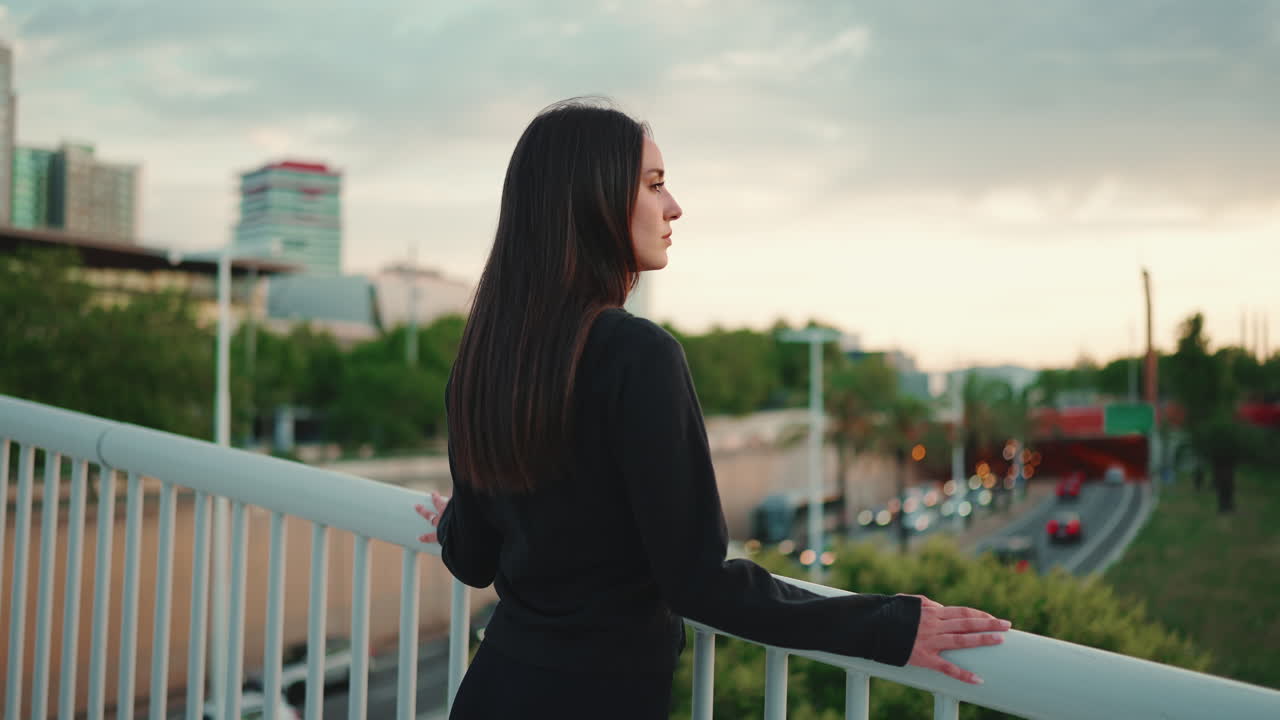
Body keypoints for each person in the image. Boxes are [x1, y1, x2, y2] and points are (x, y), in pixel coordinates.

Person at [415, 98, 1011, 719]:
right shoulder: (639, 356)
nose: (674, 207)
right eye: (654, 185)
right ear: (593, 201)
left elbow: (473, 558)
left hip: (495, 689)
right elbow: (698, 584)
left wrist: (457, 518)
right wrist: (888, 625)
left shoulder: (485, 362)